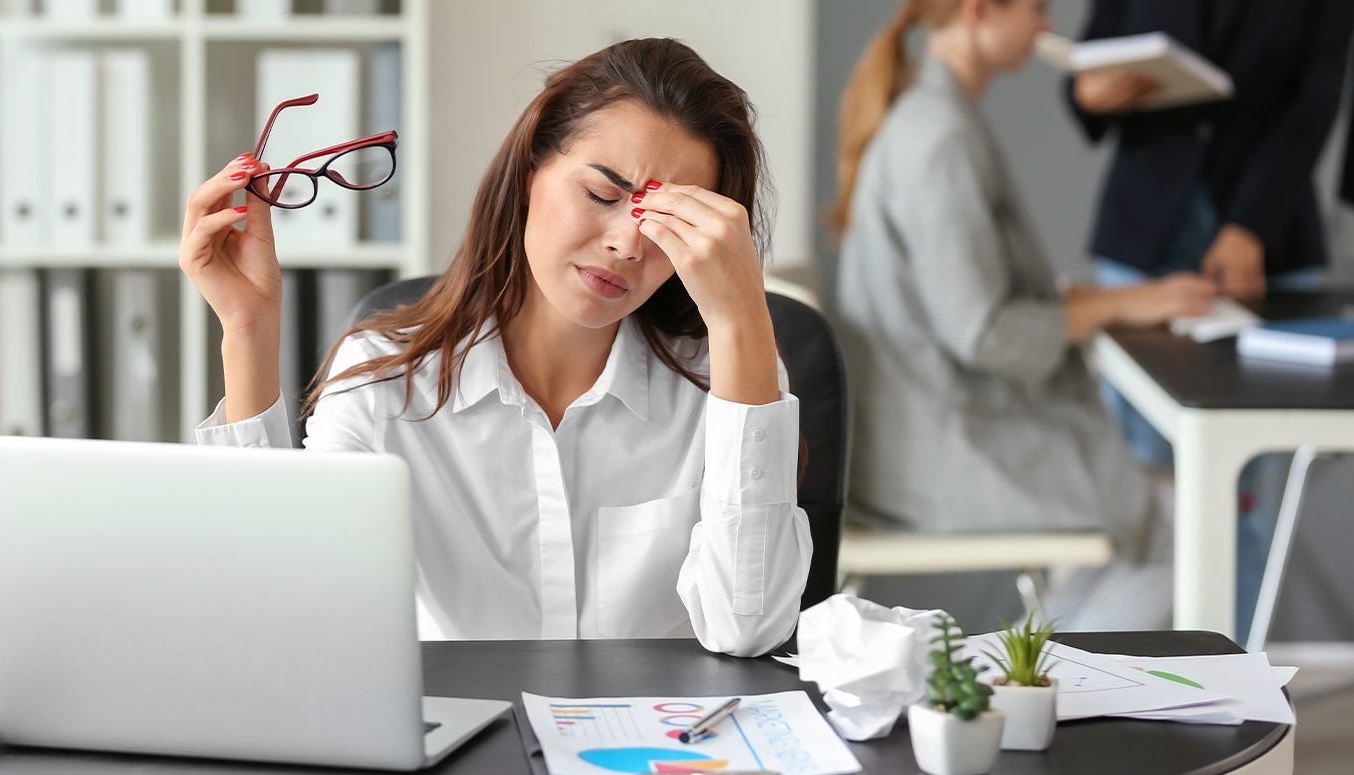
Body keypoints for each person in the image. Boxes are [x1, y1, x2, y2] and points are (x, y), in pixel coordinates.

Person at [178, 39, 812, 657]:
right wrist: (249, 332)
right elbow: (280, 616)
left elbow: (747, 629)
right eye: (601, 195)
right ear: (530, 171)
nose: (628, 244)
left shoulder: (723, 380)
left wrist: (740, 320)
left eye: (670, 222)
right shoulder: (384, 388)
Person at [829, 0, 1216, 628]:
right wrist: (1121, 303)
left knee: (1152, 510)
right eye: (1037, 9)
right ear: (981, 11)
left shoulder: (939, 116)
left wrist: (1112, 303)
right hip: (937, 456)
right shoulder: (940, 136)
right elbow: (983, 330)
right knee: (1187, 520)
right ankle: (1042, 689)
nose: (1046, 28)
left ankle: (1031, 681)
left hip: (930, 433)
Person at [1068, 0, 1354, 640]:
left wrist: (1251, 223)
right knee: (1137, 483)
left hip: (1265, 240)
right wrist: (1092, 94)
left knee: (1240, 489)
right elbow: (1085, 67)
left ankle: (1233, 687)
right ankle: (1121, 679)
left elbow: (1314, 105)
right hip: (1143, 235)